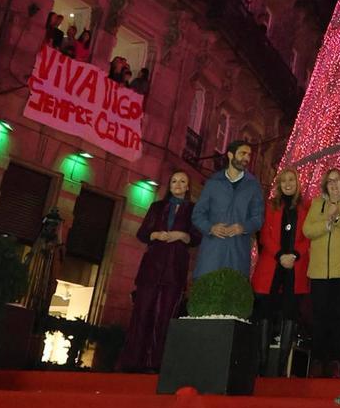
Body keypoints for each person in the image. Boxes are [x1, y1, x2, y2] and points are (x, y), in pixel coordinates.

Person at [120, 171, 201, 371]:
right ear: (169, 185)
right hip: (151, 269)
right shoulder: (157, 207)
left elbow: (197, 237)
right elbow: (142, 233)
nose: (178, 184)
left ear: (188, 186)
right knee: (142, 313)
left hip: (174, 270)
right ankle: (133, 363)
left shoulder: (193, 209)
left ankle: (156, 364)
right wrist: (156, 234)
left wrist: (182, 236)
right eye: (174, 181)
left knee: (165, 317)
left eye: (183, 181)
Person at [303, 166, 340, 377]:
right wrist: (327, 223)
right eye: (330, 181)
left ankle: (336, 360)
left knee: (338, 316)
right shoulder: (317, 203)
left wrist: (338, 218)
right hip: (319, 270)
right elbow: (307, 230)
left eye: (337, 180)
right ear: (325, 185)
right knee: (319, 316)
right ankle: (318, 359)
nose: (334, 184)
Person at [251, 167, 310, 376]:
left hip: (295, 267)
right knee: (265, 312)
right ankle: (262, 364)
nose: (287, 184)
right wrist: (280, 255)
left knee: (290, 314)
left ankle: (280, 367)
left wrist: (294, 255)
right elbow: (264, 236)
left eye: (291, 180)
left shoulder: (306, 207)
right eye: (283, 180)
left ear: (297, 183)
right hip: (272, 266)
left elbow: (308, 237)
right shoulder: (271, 206)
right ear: (279, 185)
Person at [191, 138, 264, 279]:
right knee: (207, 294)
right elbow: (198, 214)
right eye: (243, 153)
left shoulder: (253, 186)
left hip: (238, 254)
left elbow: (258, 218)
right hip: (211, 254)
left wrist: (243, 227)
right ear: (230, 155)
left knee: (233, 295)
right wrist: (211, 228)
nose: (246, 158)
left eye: (249, 155)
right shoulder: (213, 182)